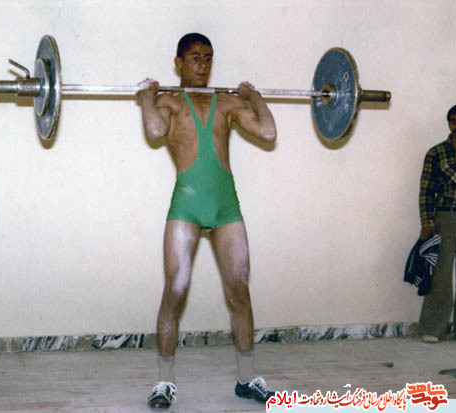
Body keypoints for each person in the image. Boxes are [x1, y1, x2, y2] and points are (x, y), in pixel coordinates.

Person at [137, 33, 277, 409]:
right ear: (178, 63)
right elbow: (154, 130)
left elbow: (268, 132)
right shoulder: (168, 101)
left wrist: (253, 96)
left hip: (225, 207)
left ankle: (247, 380)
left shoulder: (227, 102)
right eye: (195, 57)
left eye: (208, 58)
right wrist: (146, 96)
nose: (202, 64)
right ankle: (164, 382)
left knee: (239, 291)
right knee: (176, 290)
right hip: (186, 206)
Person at [418, 104, 456, 343]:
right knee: (441, 276)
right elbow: (426, 192)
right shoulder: (436, 153)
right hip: (446, 219)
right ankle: (433, 329)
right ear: (449, 124)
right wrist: (427, 222)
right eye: (453, 121)